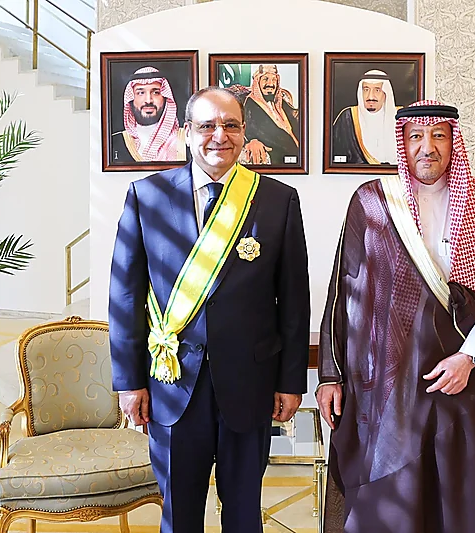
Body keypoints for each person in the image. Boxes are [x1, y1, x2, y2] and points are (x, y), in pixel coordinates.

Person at [316, 100, 475, 532]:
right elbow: (346, 292)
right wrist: (332, 375)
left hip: (467, 381)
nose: (428, 147)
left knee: (460, 493)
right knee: (393, 494)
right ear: (402, 142)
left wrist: (469, 358)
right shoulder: (373, 201)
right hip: (392, 386)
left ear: (453, 142)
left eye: (439, 136)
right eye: (416, 136)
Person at [108, 86, 310, 533]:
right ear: (186, 132)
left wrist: (291, 382)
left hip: (250, 385)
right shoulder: (147, 196)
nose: (220, 136)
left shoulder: (278, 200)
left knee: (244, 514)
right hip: (172, 386)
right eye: (206, 126)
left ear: (244, 131)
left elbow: (294, 301)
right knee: (179, 515)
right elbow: (125, 297)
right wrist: (129, 382)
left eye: (230, 125)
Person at [113, 66, 187, 162]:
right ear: (131, 98)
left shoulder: (187, 138)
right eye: (141, 93)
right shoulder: (115, 142)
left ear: (165, 97)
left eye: (156, 92)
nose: (148, 100)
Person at [331, 69, 400, 165]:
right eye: (366, 90)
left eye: (377, 90)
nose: (370, 96)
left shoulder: (400, 118)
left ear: (386, 93)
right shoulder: (348, 117)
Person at [240, 64, 301, 166]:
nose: (270, 84)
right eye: (265, 79)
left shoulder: (282, 103)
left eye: (274, 80)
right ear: (257, 82)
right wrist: (251, 142)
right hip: (277, 158)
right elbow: (240, 130)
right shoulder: (247, 105)